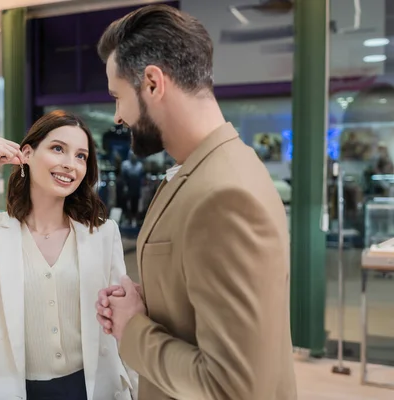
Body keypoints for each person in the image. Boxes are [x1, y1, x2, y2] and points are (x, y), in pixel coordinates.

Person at [94, 5, 297, 400]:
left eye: (118, 97)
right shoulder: (212, 167)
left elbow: (230, 387)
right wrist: (147, 299)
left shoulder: (224, 194)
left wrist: (131, 328)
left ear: (152, 83)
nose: (118, 116)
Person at [0, 110, 137, 400]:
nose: (70, 165)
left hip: (89, 388)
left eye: (81, 156)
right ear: (26, 153)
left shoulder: (102, 234)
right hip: (10, 389)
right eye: (58, 149)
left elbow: (119, 322)